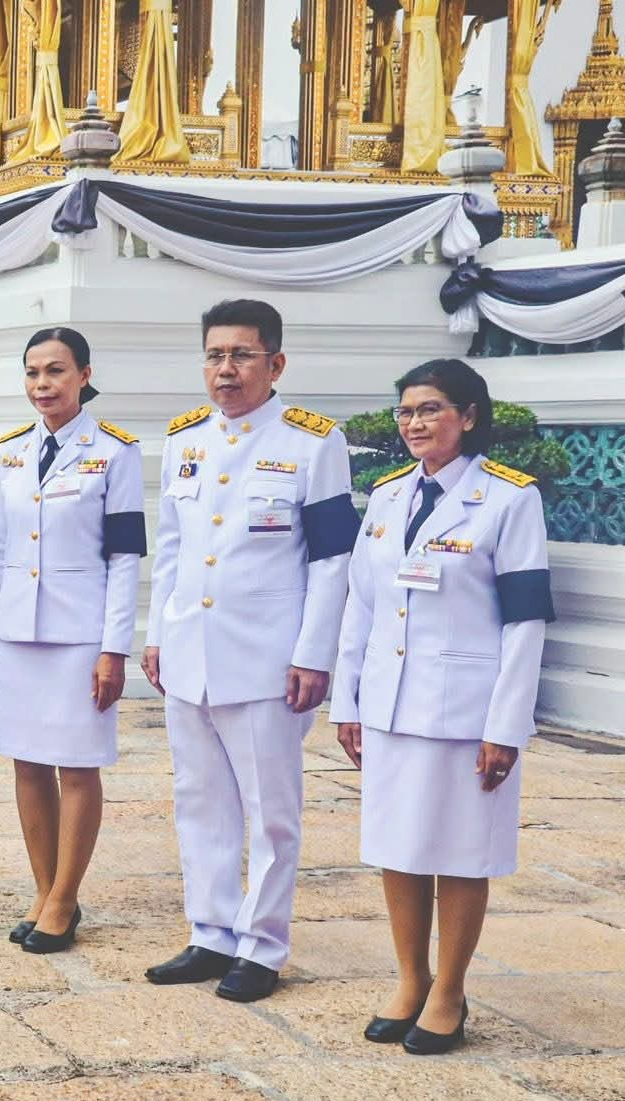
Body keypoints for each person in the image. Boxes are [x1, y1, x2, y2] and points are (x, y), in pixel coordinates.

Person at [332, 359, 552, 1054]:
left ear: (469, 416)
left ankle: (450, 990)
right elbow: (360, 604)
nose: (415, 424)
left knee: (460, 853)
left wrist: (506, 724)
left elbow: (525, 620)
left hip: (465, 710)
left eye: (430, 410)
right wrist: (348, 701)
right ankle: (409, 979)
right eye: (406, 412)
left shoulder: (510, 500)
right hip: (391, 706)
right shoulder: (390, 496)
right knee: (398, 845)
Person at [142, 299, 358, 1003]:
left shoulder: (312, 442)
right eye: (214, 355)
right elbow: (170, 551)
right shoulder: (185, 438)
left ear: (276, 363)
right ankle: (210, 932)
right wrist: (157, 634)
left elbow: (331, 560)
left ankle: (262, 946)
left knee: (270, 810)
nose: (225, 370)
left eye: (240, 355)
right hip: (190, 652)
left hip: (267, 657)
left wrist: (313, 654)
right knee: (199, 800)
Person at [0, 328, 145, 954]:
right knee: (27, 762)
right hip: (18, 630)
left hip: (79, 634)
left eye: (55, 372)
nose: (42, 385)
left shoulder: (116, 452)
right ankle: (44, 891)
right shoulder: (12, 453)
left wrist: (112, 648)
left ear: (83, 375)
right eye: (33, 374)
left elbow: (125, 558)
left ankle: (66, 895)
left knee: (77, 766)